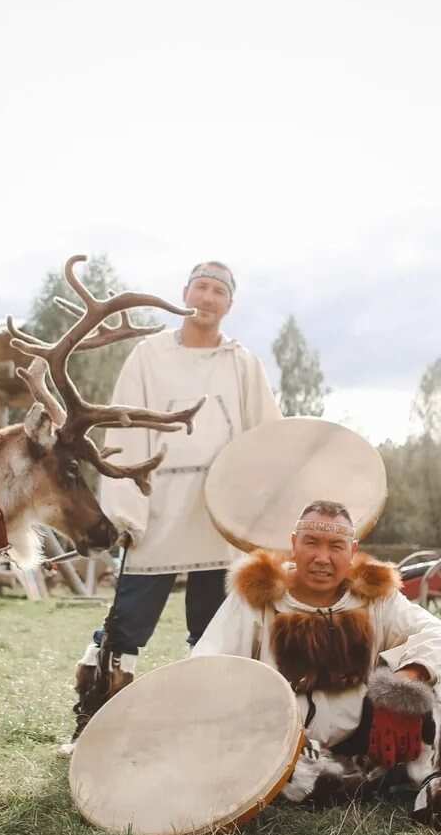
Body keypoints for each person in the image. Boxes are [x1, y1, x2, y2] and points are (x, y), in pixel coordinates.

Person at [63, 261, 280, 750]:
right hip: (156, 507)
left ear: (229, 304)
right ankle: (94, 726)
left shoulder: (242, 362)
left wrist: (256, 510)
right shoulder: (150, 355)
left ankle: (207, 731)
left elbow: (265, 434)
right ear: (184, 293)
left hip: (219, 515)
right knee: (127, 623)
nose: (207, 297)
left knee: (213, 628)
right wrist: (126, 510)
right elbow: (124, 427)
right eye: (201, 287)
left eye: (218, 291)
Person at [192, 500, 441, 832]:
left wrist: (401, 688)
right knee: (270, 758)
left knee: (440, 690)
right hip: (294, 753)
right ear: (294, 544)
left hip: (369, 737)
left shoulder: (377, 598)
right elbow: (208, 666)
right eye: (311, 543)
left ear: (352, 551)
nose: (322, 557)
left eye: (336, 546)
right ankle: (380, 779)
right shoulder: (255, 599)